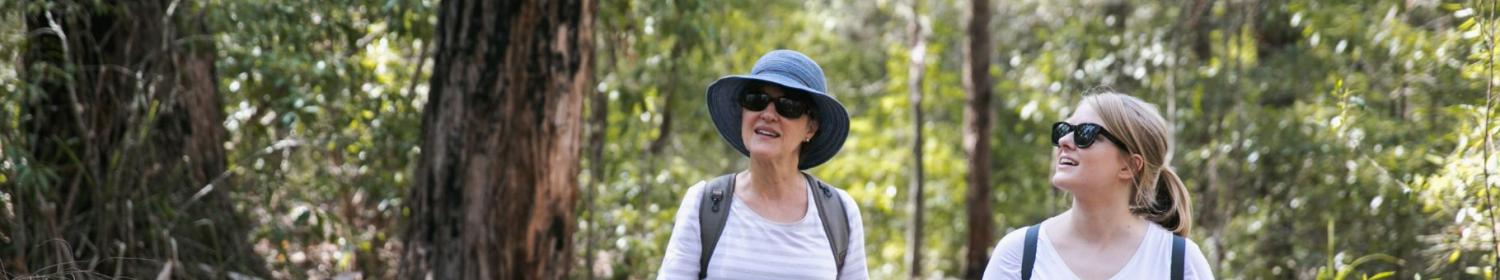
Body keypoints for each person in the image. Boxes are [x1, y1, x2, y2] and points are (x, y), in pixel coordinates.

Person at [656, 50, 868, 279]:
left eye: (788, 105)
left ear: (810, 128)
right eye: (756, 100)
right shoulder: (704, 204)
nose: (768, 114)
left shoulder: (839, 211)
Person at [983, 92, 1214, 280]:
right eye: (1064, 130)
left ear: (1129, 166)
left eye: (1085, 134)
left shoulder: (1180, 263)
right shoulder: (1020, 254)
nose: (1064, 141)